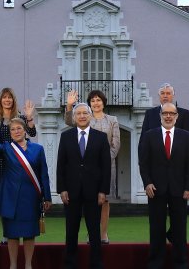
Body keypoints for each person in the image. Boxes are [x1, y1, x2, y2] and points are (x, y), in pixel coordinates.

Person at [0, 115, 52, 269]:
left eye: (19, 128)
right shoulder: (7, 147)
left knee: (29, 234)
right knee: (12, 234)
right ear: (10, 133)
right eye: (13, 129)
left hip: (30, 197)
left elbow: (44, 175)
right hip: (10, 197)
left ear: (25, 130)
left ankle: (28, 265)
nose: (16, 131)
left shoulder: (38, 149)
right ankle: (13, 265)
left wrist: (47, 197)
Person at [139, 101, 189, 269]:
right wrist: (147, 182)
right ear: (160, 116)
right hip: (155, 189)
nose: (168, 116)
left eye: (172, 113)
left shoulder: (185, 136)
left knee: (179, 229)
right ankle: (155, 263)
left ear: (177, 116)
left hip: (179, 189)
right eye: (165, 113)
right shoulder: (150, 135)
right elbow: (144, 163)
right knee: (156, 229)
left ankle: (181, 263)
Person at [57, 102, 110, 269]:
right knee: (71, 230)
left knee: (94, 231)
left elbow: (106, 167)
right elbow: (61, 165)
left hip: (93, 192)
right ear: (74, 117)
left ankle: (96, 263)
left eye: (84, 113)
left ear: (90, 116)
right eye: (78, 113)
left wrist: (103, 191)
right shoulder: (66, 137)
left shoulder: (101, 137)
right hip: (71, 191)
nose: (81, 116)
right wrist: (62, 188)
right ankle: (70, 263)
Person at [64, 89, 120, 243]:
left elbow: (115, 144)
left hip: (108, 166)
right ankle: (92, 233)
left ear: (103, 102)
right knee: (89, 200)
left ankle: (103, 233)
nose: (96, 103)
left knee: (104, 200)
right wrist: (69, 106)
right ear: (89, 104)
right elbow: (69, 121)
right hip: (85, 169)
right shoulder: (85, 117)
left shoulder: (112, 120)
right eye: (93, 100)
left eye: (98, 100)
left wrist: (103, 161)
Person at [0, 88, 37, 244]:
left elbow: (32, 132)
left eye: (9, 97)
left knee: (20, 200)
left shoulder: (20, 118)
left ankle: (22, 232)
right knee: (4, 202)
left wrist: (29, 117)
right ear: (0, 100)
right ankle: (6, 234)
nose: (7, 100)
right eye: (4, 97)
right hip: (0, 166)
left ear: (13, 100)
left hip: (18, 166)